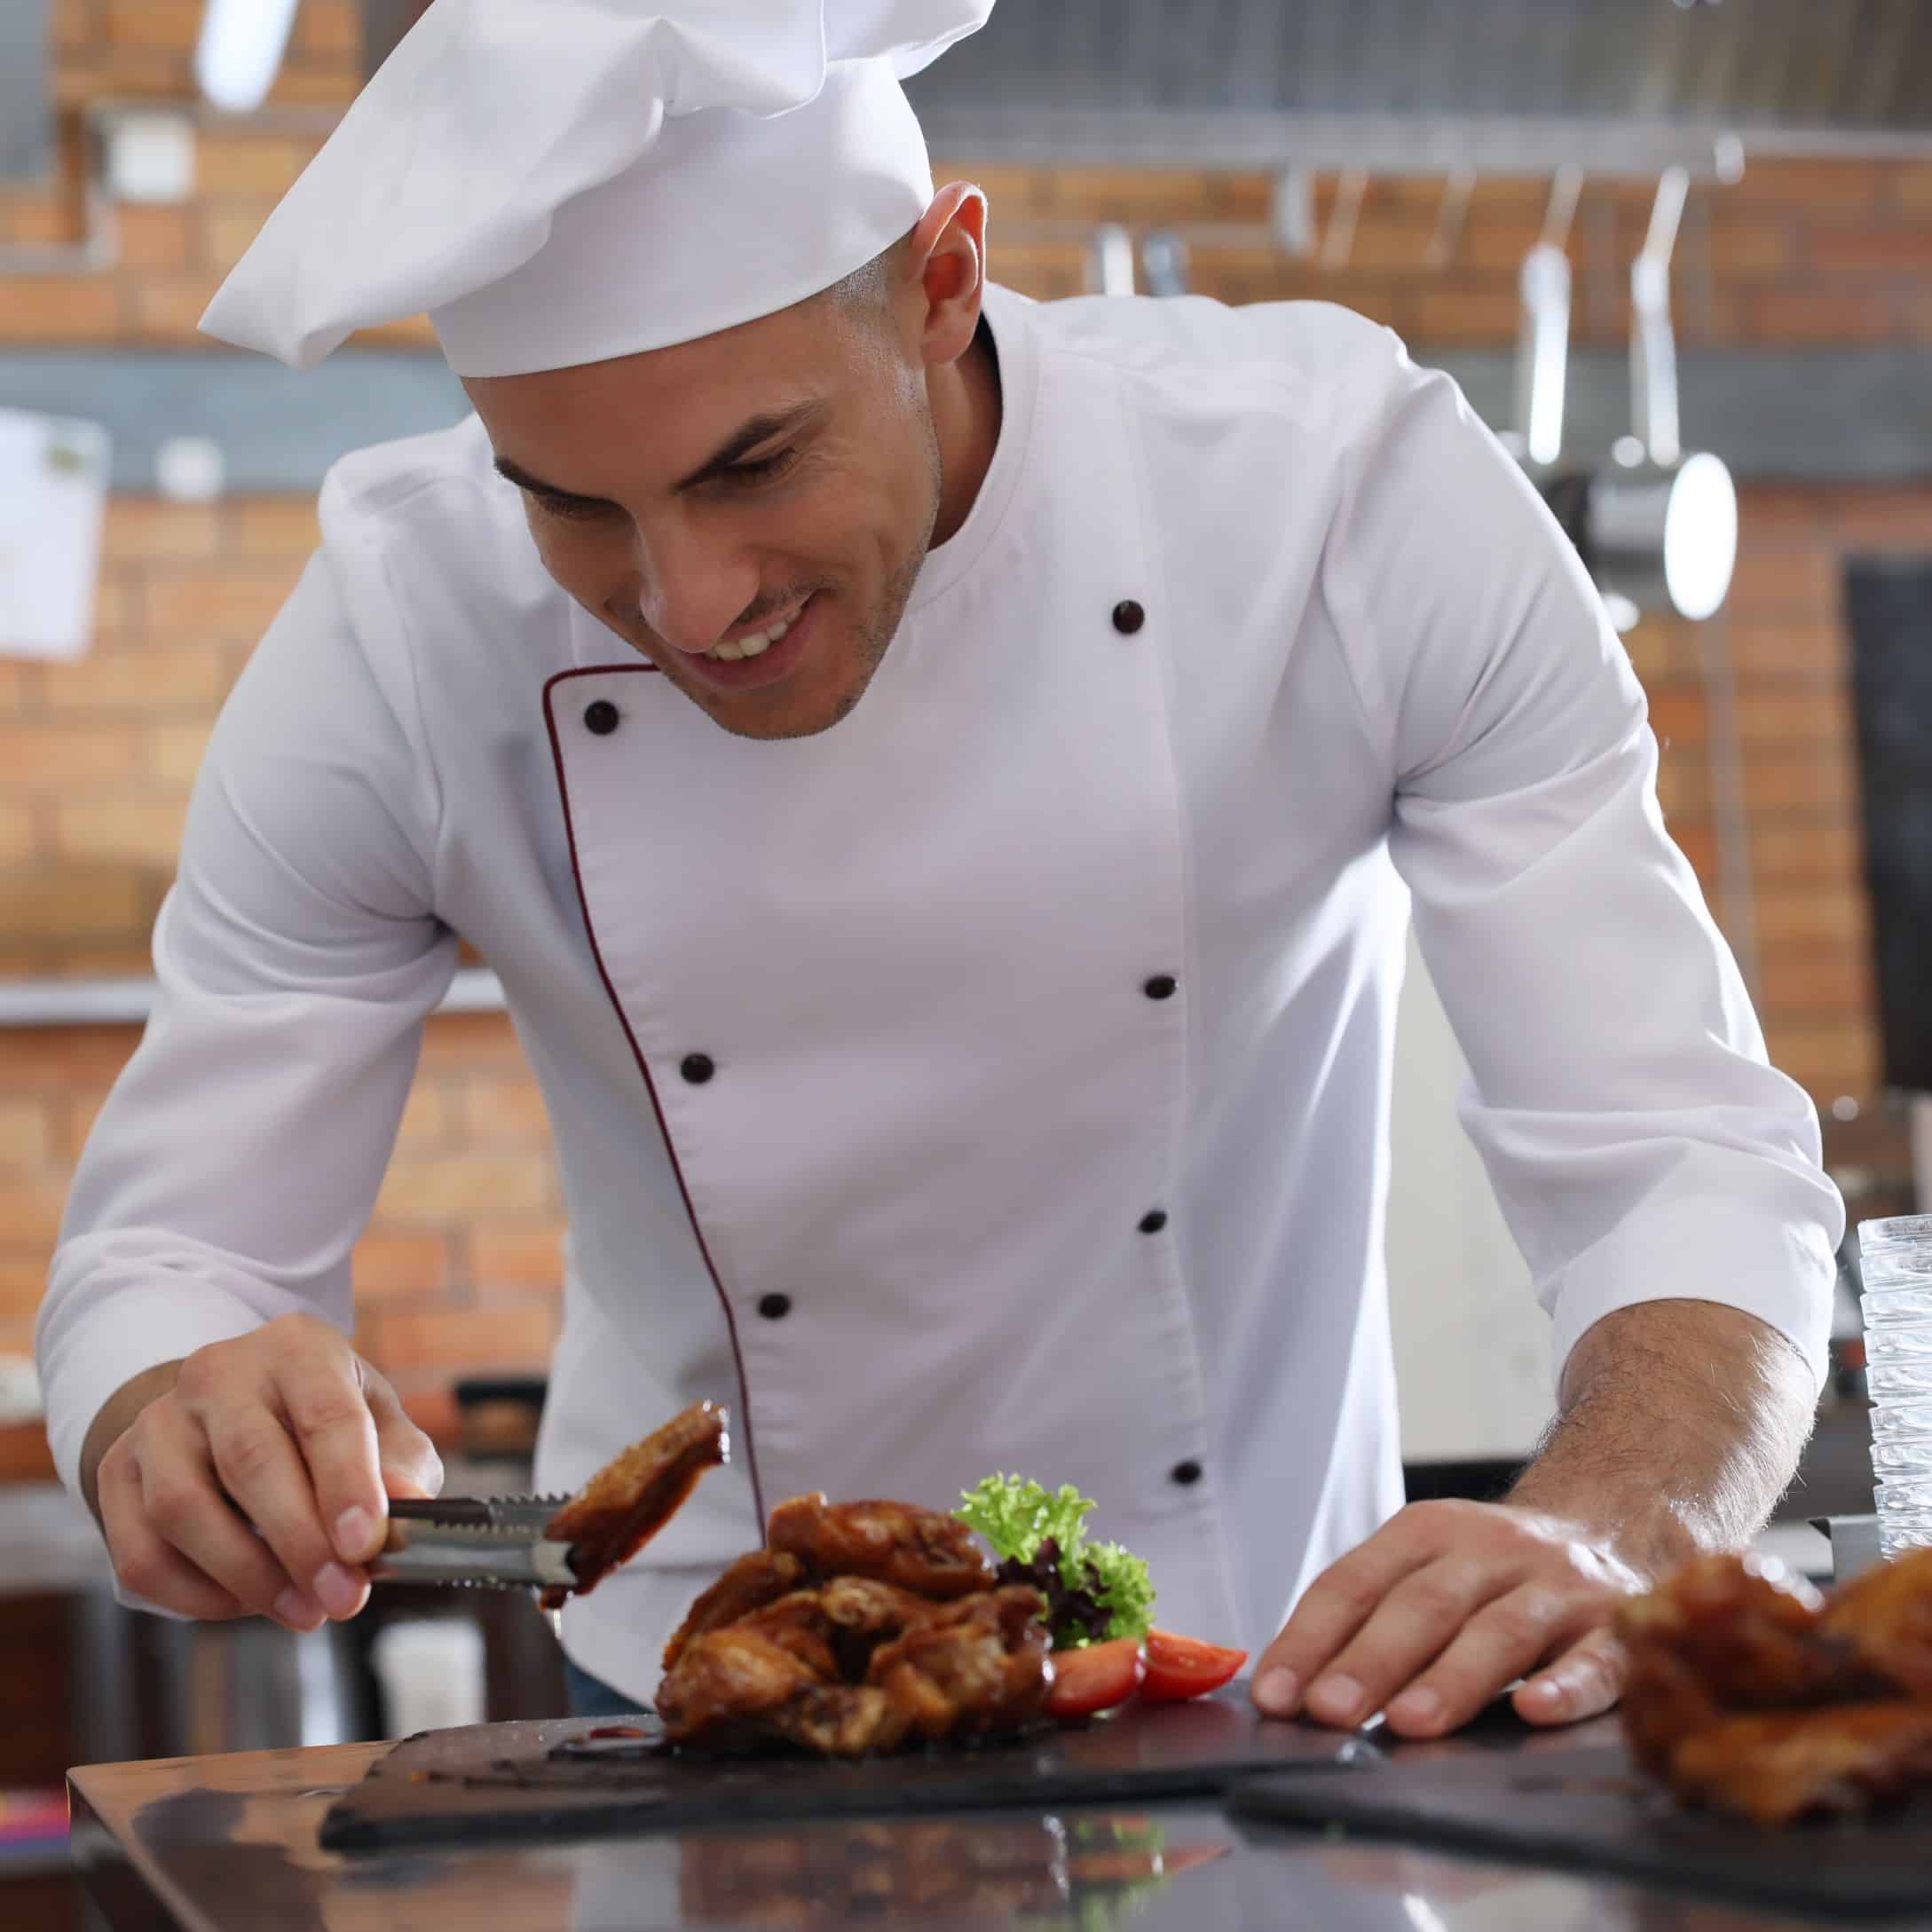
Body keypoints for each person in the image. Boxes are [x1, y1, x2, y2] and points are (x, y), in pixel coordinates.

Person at [35, 0, 1840, 1736]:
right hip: (703, 1685)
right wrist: (176, 1410)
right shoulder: (399, 628)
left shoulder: (1331, 500)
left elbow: (1676, 1156)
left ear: (943, 283)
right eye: (571, 505)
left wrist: (1617, 1520)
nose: (692, 602)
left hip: (1274, 1661)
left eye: (757, 463)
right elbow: (173, 1254)